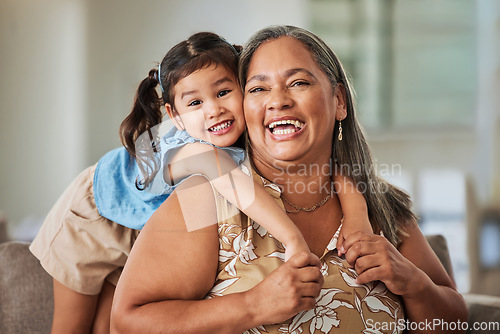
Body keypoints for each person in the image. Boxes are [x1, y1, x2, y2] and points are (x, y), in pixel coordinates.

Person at [111, 25, 468, 334]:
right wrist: (252, 306)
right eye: (258, 89)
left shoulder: (380, 205)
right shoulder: (207, 197)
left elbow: (457, 323)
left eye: (298, 82)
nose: (278, 101)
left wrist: (414, 284)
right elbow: (127, 324)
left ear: (339, 100)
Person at [30, 31, 370, 333]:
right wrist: (293, 240)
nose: (213, 110)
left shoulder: (247, 137)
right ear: (175, 115)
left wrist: (357, 218)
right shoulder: (194, 150)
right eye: (195, 103)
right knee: (71, 327)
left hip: (139, 221)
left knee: (106, 326)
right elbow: (233, 183)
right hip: (91, 215)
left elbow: (336, 171)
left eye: (224, 92)